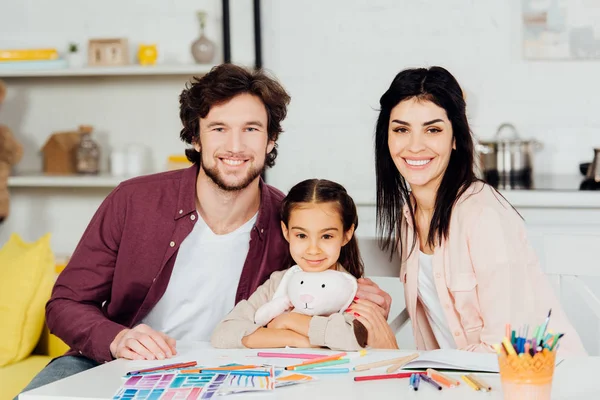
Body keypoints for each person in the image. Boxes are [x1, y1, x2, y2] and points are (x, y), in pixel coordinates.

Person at [20, 64, 392, 395]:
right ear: (195, 137)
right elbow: (65, 304)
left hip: (238, 374)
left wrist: (366, 304)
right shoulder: (134, 201)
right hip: (111, 363)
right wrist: (118, 339)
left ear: (271, 139)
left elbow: (328, 293)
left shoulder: (290, 223)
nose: (235, 145)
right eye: (219, 128)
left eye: (251, 129)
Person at [348, 66, 586, 355]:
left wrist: (394, 352)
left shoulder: (482, 215)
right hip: (460, 382)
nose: (415, 145)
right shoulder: (408, 216)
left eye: (432, 129)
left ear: (455, 138)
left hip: (532, 383)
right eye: (401, 129)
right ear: (386, 138)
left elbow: (506, 348)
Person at [212, 179, 368, 350]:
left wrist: (288, 320)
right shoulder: (278, 283)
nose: (313, 249)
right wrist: (295, 339)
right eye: (301, 235)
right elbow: (224, 334)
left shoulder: (353, 292)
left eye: (326, 236)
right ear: (286, 232)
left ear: (347, 234)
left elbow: (352, 338)